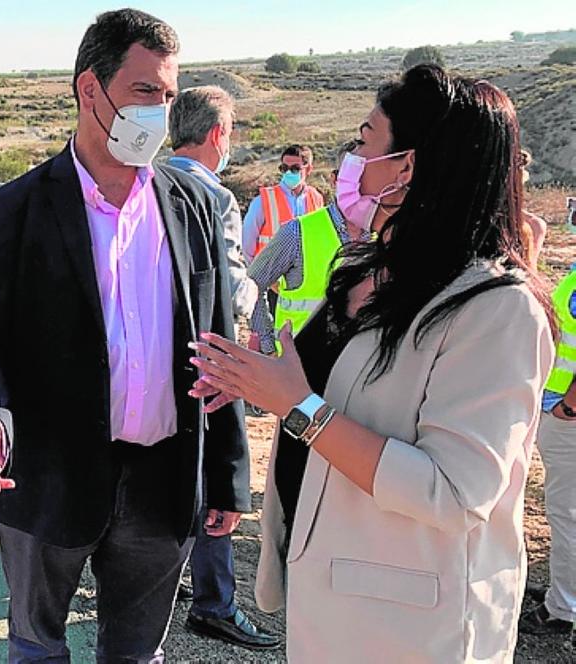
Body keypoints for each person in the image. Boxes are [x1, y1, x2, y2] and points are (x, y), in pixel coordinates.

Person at [190, 65, 555, 661]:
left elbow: (455, 491)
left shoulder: (499, 310)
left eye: (364, 141)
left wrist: (299, 406)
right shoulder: (366, 268)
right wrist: (255, 374)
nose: (351, 158)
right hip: (330, 586)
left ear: (409, 166)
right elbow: (341, 392)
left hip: (411, 626)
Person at [0, 9, 251, 662]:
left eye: (168, 97)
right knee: (37, 646)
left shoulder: (193, 205)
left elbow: (219, 343)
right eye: (145, 92)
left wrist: (225, 476)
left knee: (138, 656)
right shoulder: (18, 209)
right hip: (49, 479)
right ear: (91, 90)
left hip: (163, 482)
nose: (160, 113)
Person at [164, 86, 277, 651]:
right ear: (216, 136)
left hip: (150, 361)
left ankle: (174, 582)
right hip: (205, 361)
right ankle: (215, 603)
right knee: (213, 481)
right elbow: (231, 291)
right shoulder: (215, 198)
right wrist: (256, 287)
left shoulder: (146, 184)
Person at [246, 141, 369, 357]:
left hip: (356, 366)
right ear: (335, 179)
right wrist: (268, 347)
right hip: (300, 364)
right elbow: (252, 280)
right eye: (285, 168)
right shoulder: (294, 230)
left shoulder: (384, 236)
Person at [520, 264, 576, 637]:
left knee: (567, 513)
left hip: (568, 415)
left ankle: (563, 609)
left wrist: (569, 406)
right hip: (561, 409)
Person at [242, 144, 325, 262]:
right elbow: (247, 245)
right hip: (270, 277)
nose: (289, 173)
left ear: (309, 169)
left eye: (295, 169)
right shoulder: (263, 200)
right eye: (284, 168)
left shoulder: (316, 198)